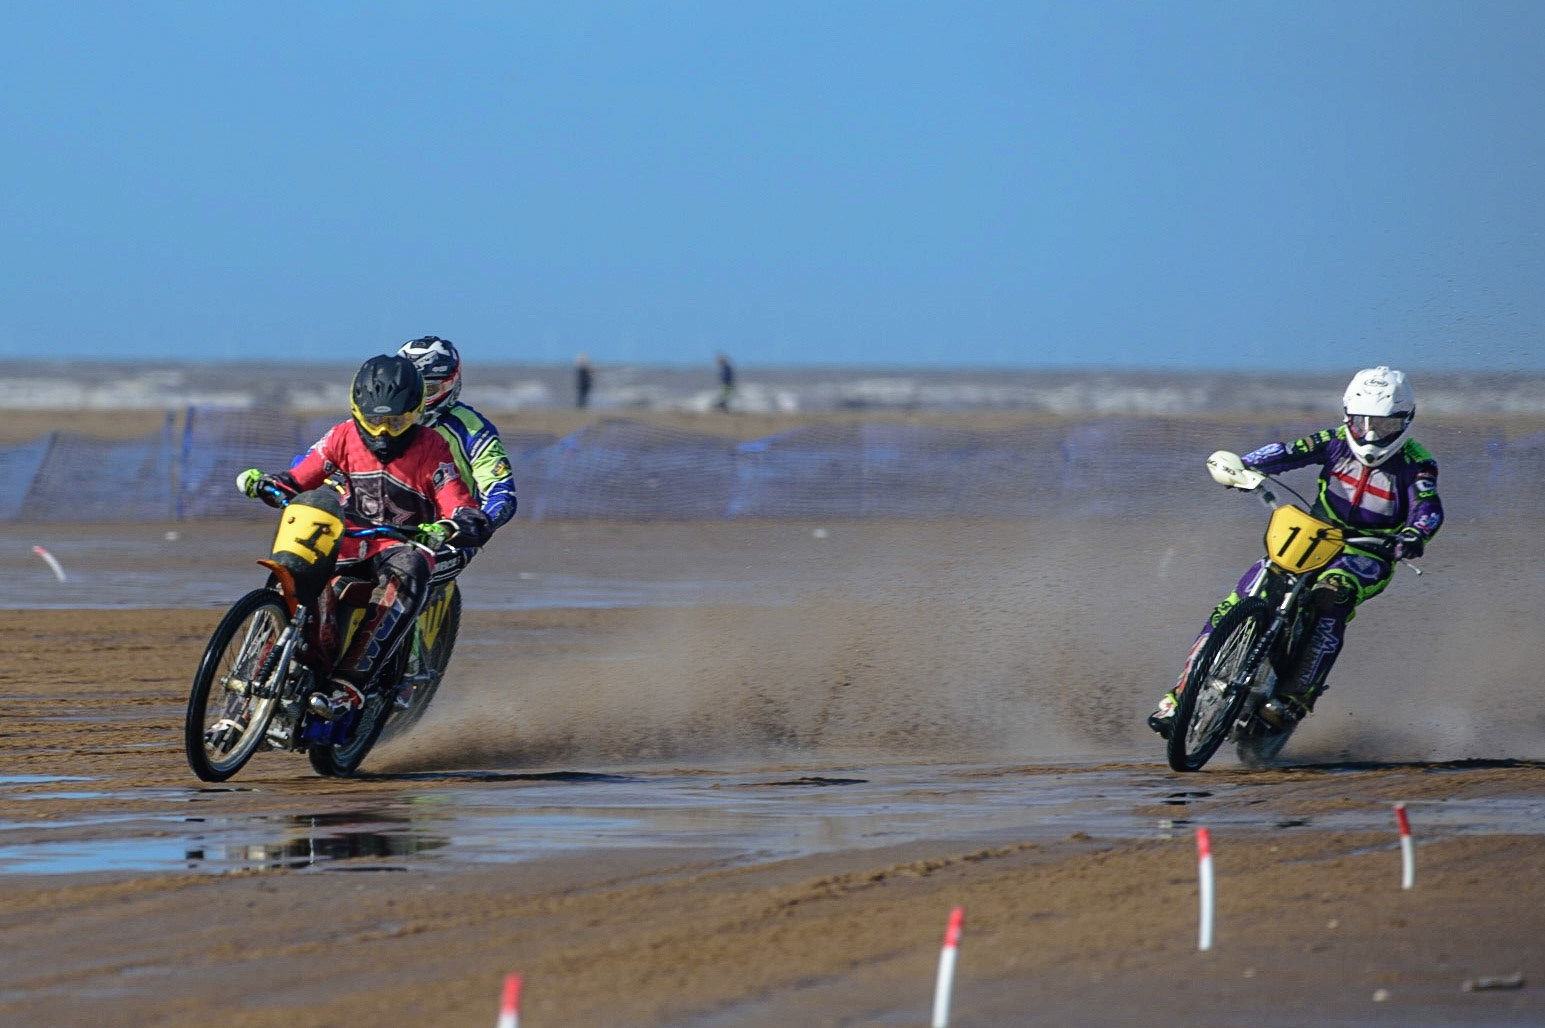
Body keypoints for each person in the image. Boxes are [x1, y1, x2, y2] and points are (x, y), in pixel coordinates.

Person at [1148, 366, 1444, 738]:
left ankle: (1294, 698)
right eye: (1362, 422)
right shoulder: (1334, 440)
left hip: (1371, 552)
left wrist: (1414, 535)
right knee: (1252, 584)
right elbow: (1286, 452)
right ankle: (1178, 698)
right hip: (1317, 535)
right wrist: (1246, 467)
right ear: (1347, 417)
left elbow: (1429, 507)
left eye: (1384, 426)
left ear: (1406, 421)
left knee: (1332, 595)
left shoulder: (1418, 462)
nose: (1370, 435)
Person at [239, 355, 492, 720]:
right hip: (347, 536)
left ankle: (350, 686)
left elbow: (454, 493)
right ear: (358, 411)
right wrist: (269, 484)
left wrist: (460, 521)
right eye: (374, 420)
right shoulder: (341, 436)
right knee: (294, 568)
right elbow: (300, 477)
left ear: (417, 412)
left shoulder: (432, 446)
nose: (384, 432)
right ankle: (262, 685)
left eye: (396, 421)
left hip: (399, 544)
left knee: (412, 568)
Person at [395, 336, 518, 548]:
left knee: (407, 573)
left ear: (450, 385)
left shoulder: (473, 428)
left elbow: (502, 490)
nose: (416, 399)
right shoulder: (378, 420)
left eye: (428, 390)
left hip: (447, 538)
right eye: (409, 388)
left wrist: (475, 525)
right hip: (385, 527)